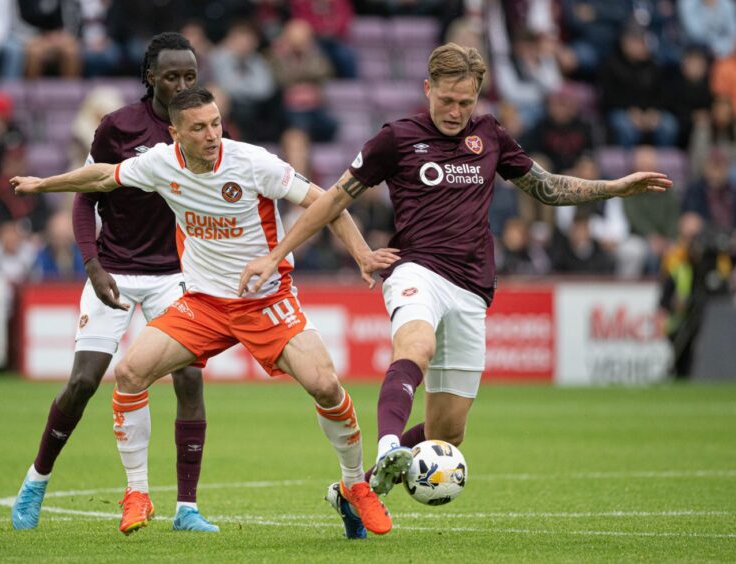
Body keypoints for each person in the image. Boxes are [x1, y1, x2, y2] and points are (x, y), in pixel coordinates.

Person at [237, 42, 672, 502]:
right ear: (428, 89)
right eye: (447, 100)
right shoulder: (397, 138)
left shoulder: (490, 136)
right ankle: (388, 445)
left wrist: (614, 187)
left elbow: (545, 187)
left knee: (448, 432)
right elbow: (333, 199)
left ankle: (354, 491)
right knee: (416, 346)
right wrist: (276, 253)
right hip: (416, 269)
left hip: (472, 287)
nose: (455, 111)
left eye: (466, 102)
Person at [12, 86, 397, 539]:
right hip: (203, 304)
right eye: (199, 127)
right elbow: (101, 177)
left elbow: (328, 202)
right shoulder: (160, 162)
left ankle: (354, 485)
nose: (212, 134)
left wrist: (362, 254)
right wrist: (44, 183)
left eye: (215, 123)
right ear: (175, 132)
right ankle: (138, 493)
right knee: (132, 372)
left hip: (265, 301)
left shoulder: (253, 162)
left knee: (325, 385)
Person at [10, 33, 220, 535]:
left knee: (189, 378)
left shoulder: (202, 129)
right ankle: (36, 481)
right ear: (150, 77)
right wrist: (93, 266)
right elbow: (86, 195)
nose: (182, 84)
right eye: (172, 76)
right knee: (83, 383)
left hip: (175, 275)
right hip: (116, 270)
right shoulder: (118, 127)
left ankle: (185, 508)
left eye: (190, 76)